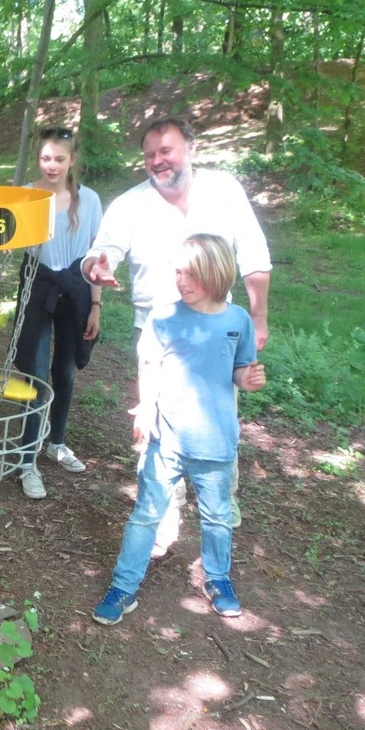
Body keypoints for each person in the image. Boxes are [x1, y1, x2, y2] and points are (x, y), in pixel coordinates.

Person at [81, 116, 271, 536]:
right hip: (156, 330)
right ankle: (164, 504)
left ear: (190, 147)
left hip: (217, 326)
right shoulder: (130, 204)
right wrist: (97, 265)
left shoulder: (224, 190)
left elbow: (254, 253)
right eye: (149, 155)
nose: (157, 161)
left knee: (219, 412)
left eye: (166, 150)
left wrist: (258, 316)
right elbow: (101, 250)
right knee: (154, 413)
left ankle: (221, 494)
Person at [92, 234, 266, 625]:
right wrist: (146, 409)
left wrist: (248, 379)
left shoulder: (237, 320)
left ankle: (218, 579)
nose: (182, 281)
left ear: (217, 275)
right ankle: (124, 587)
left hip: (216, 442)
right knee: (145, 515)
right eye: (178, 272)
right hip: (166, 439)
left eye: (192, 274)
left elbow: (239, 370)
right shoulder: (164, 317)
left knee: (218, 517)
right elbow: (150, 366)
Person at [13, 128, 103, 499]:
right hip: (37, 285)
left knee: (64, 372)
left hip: (77, 288)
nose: (51, 166)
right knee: (36, 375)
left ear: (72, 161)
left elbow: (97, 256)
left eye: (59, 159)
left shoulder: (91, 200)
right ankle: (26, 459)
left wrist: (96, 304)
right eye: (45, 158)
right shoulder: (26, 196)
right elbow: (5, 238)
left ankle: (57, 442)